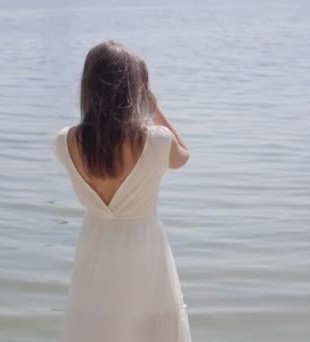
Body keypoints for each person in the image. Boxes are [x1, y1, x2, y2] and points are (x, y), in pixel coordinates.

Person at [53, 40, 192, 342]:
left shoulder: (65, 142)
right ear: (133, 90)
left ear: (88, 86)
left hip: (95, 250)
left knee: (95, 327)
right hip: (144, 251)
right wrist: (153, 108)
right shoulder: (156, 141)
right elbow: (183, 155)